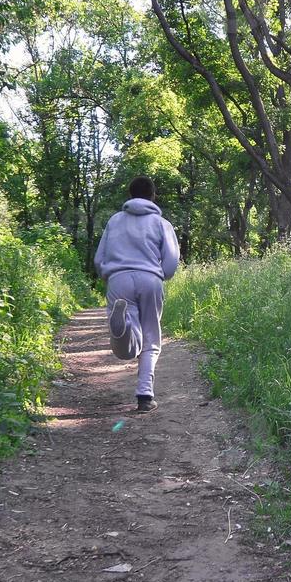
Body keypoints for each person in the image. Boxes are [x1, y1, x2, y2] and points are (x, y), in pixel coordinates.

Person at [93, 176, 180, 412]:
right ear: (153, 196)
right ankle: (145, 395)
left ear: (130, 195)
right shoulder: (162, 223)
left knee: (126, 349)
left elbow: (99, 259)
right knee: (151, 339)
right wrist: (159, 275)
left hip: (118, 280)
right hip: (150, 279)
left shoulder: (114, 221)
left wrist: (107, 275)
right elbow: (171, 263)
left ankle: (123, 328)